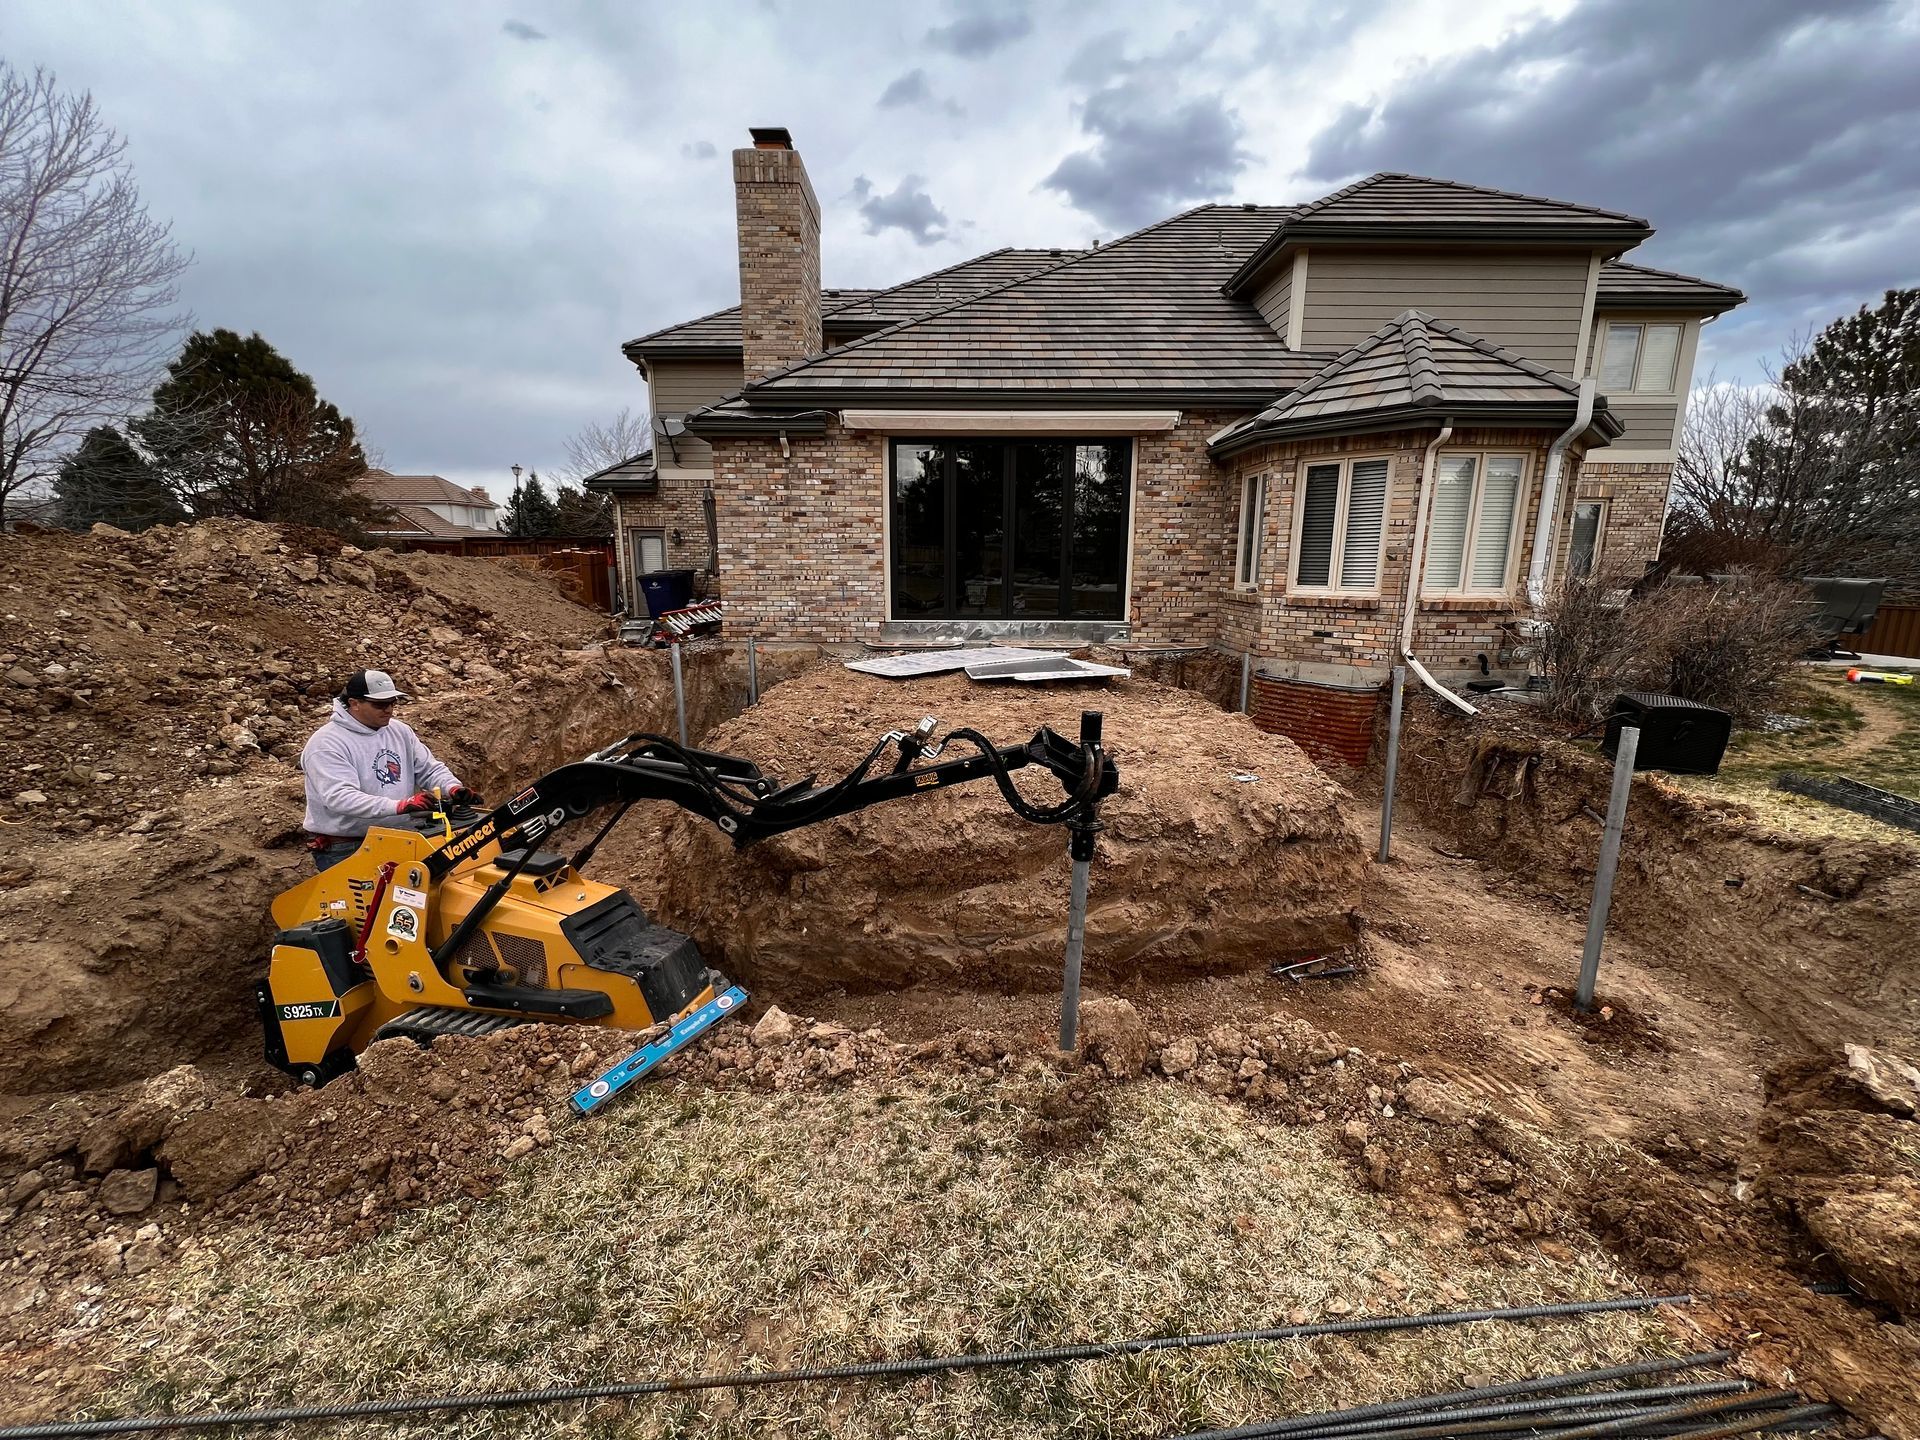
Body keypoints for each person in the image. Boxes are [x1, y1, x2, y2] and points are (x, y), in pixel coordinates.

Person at [298, 669, 474, 871]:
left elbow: (428, 768)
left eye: (392, 702)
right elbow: (340, 797)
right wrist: (400, 806)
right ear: (354, 703)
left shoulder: (399, 731)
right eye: (380, 704)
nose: (389, 709)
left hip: (398, 837)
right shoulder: (327, 743)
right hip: (346, 846)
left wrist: (451, 788)